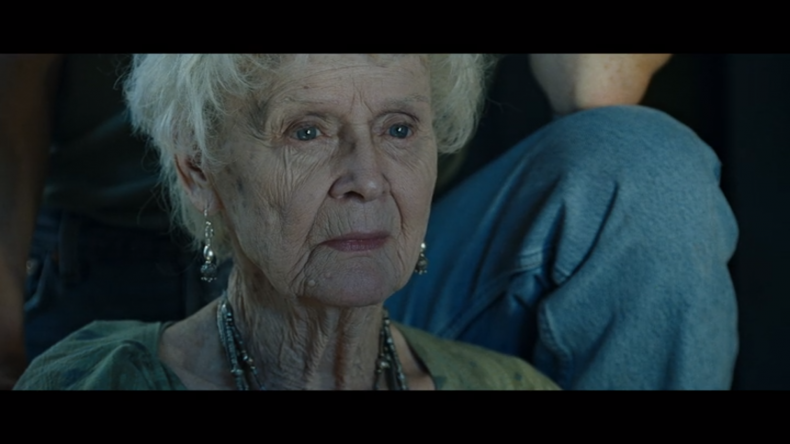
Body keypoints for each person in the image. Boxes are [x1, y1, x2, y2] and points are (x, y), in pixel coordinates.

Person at [14, 54, 560, 390]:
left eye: (399, 129)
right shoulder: (91, 381)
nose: (368, 179)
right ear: (199, 173)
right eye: (307, 132)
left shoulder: (511, 385)